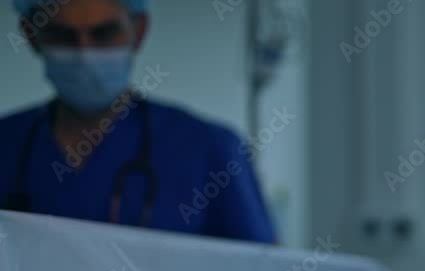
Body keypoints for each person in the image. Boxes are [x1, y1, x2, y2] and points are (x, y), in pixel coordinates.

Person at [0, 0, 276, 243]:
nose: (84, 53)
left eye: (104, 33)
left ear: (139, 31)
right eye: (63, 35)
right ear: (31, 35)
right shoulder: (8, 143)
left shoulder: (212, 150)